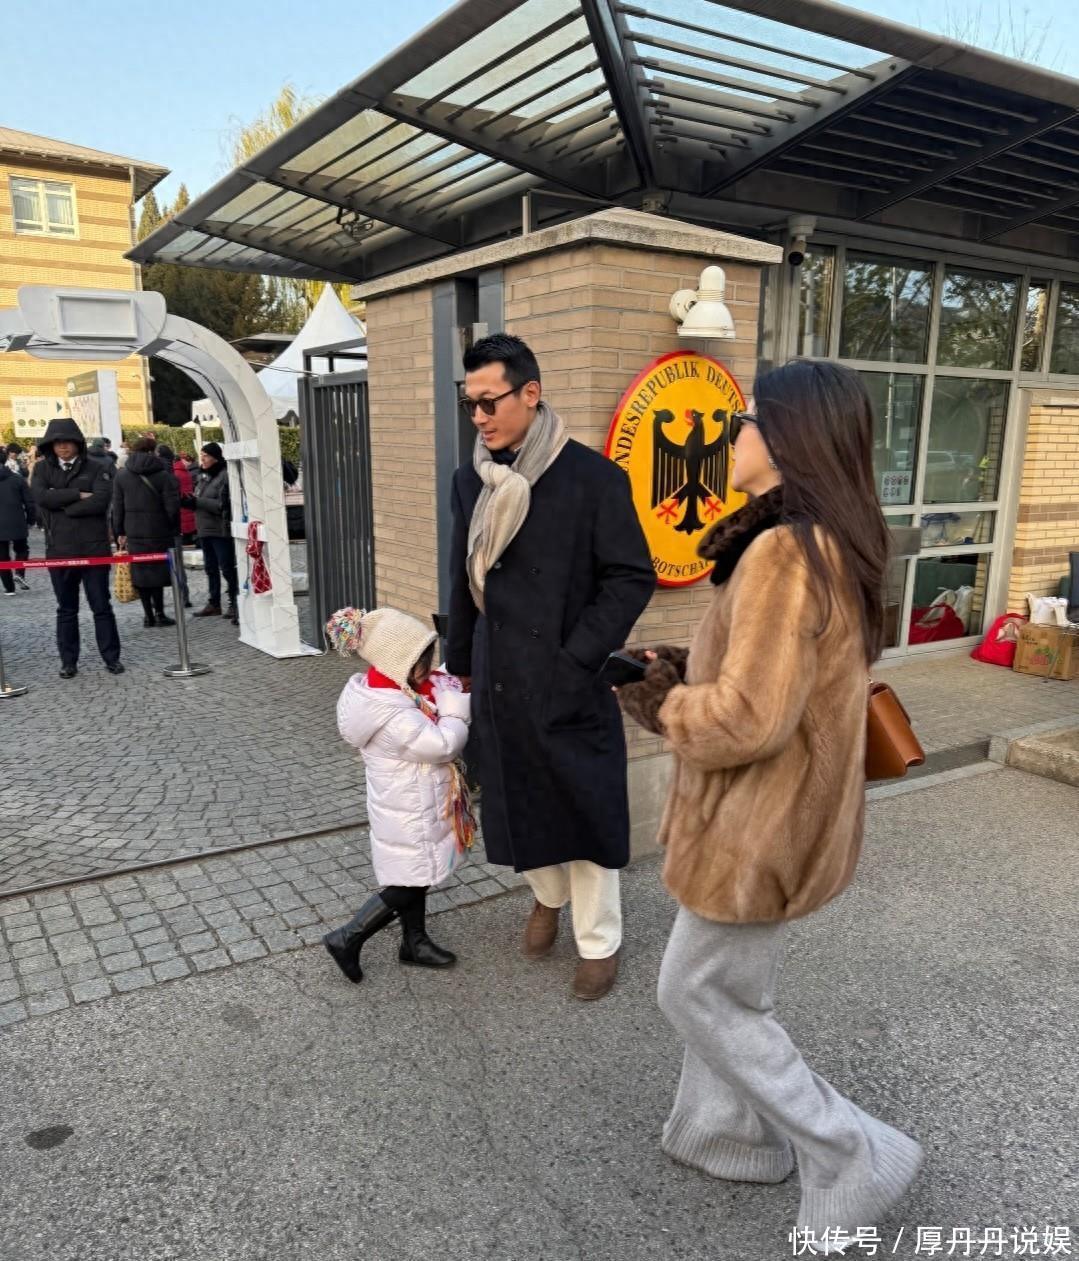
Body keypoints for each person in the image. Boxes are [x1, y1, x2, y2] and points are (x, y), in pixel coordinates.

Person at [617, 361, 922, 1252]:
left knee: (694, 989)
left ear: (787, 437)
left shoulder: (785, 552)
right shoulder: (820, 542)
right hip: (782, 820)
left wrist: (661, 703)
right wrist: (685, 666)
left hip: (753, 827)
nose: (729, 436)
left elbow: (748, 718)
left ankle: (848, 1150)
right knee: (732, 987)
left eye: (743, 420)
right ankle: (729, 1133)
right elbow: (781, 680)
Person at [445, 333, 654, 1001]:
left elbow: (630, 577)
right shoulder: (469, 479)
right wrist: (458, 665)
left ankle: (599, 941)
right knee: (517, 800)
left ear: (530, 393)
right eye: (469, 404)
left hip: (569, 675)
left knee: (584, 807)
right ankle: (547, 896)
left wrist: (578, 658)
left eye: (489, 402)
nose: (478, 417)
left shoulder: (593, 477)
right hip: (500, 672)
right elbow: (462, 576)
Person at [321, 606, 472, 984]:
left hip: (409, 800)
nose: (428, 668)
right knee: (410, 881)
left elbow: (430, 689)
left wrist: (442, 683)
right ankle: (348, 938)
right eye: (422, 662)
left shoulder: (391, 689)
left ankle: (414, 942)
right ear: (399, 663)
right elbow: (441, 746)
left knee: (414, 873)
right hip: (409, 806)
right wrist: (456, 711)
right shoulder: (394, 714)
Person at [31, 417, 123, 678]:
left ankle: (112, 658)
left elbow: (101, 501)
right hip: (59, 549)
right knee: (66, 609)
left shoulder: (98, 467)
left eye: (67, 442)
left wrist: (61, 505)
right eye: (57, 442)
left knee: (101, 606)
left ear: (77, 443)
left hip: (93, 548)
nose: (62, 446)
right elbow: (40, 497)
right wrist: (77, 494)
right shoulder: (42, 469)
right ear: (50, 445)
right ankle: (68, 661)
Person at [112, 437, 179, 629]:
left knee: (140, 574)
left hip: (133, 531)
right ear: (152, 452)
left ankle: (148, 615)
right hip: (158, 530)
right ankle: (160, 613)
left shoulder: (122, 475)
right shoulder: (163, 475)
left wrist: (119, 531)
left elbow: (117, 507)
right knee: (156, 574)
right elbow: (172, 507)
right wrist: (172, 528)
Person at [189, 442, 238, 625]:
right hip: (204, 529)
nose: (202, 459)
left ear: (215, 457)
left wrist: (198, 502)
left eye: (206, 456)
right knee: (210, 569)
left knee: (227, 568)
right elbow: (199, 498)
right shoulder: (203, 476)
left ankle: (234, 602)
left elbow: (222, 505)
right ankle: (214, 603)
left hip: (219, 530)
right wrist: (188, 501)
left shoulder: (224, 475)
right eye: (201, 455)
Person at [158, 443, 194, 607]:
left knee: (157, 564)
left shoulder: (164, 475)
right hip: (177, 524)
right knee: (178, 564)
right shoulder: (179, 472)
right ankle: (183, 596)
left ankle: (158, 604)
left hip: (162, 525)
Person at [0, 455, 35, 594]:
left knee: (2, 556)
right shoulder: (17, 479)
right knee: (22, 549)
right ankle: (19, 573)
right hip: (16, 520)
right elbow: (29, 502)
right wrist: (31, 520)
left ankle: (9, 588)